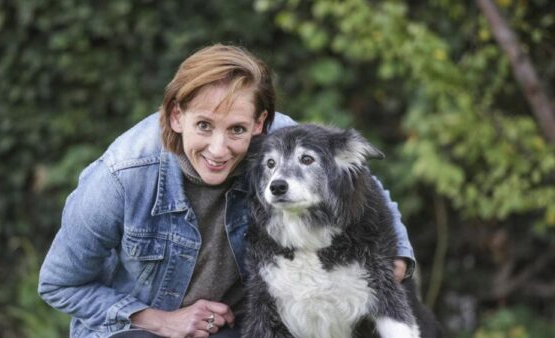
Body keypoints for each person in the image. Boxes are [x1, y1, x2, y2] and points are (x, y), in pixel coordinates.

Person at [38, 44, 416, 338]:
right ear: (176, 116)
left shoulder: (278, 140)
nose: (219, 150)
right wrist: (163, 321)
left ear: (259, 123)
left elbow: (366, 184)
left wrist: (395, 261)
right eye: (204, 125)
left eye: (236, 129)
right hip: (139, 329)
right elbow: (59, 284)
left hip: (235, 325)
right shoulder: (121, 176)